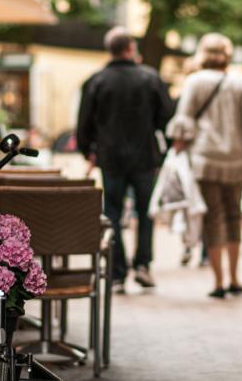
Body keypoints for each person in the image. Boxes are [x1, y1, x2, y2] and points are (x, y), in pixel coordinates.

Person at [76, 26, 173, 292]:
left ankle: (117, 272)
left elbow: (83, 124)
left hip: (111, 159)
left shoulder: (96, 80)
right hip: (145, 158)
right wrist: (167, 150)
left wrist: (89, 152)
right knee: (145, 212)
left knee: (114, 213)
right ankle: (143, 265)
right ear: (130, 48)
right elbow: (167, 118)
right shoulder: (150, 78)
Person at [167, 33, 242, 298]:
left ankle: (218, 282)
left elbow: (183, 124)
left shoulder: (194, 82)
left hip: (204, 160)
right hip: (236, 160)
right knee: (234, 216)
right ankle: (235, 277)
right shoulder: (241, 82)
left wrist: (175, 156)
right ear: (228, 55)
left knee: (213, 218)